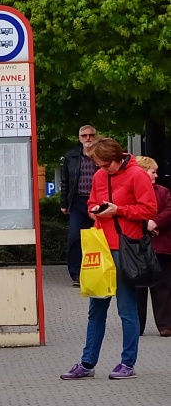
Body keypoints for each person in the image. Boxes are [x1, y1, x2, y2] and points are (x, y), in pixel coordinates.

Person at [60, 138, 157, 381]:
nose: (102, 170)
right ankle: (87, 362)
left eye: (105, 165)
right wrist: (95, 209)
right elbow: (92, 201)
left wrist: (119, 210)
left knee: (126, 309)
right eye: (99, 166)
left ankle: (127, 362)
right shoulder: (99, 177)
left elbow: (149, 209)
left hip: (126, 248)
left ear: (117, 159)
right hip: (101, 248)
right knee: (96, 310)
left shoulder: (137, 175)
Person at [132, 156, 171, 337]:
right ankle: (137, 326)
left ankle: (165, 325)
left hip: (161, 246)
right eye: (152, 172)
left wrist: (154, 222)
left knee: (163, 285)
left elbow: (169, 210)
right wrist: (145, 224)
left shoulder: (163, 191)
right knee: (138, 287)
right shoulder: (131, 191)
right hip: (138, 245)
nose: (156, 175)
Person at [61, 125, 101, 285]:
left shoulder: (101, 155)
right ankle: (76, 274)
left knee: (98, 238)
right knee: (74, 237)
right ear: (79, 138)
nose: (88, 138)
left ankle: (97, 272)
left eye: (91, 135)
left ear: (95, 136)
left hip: (98, 202)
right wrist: (64, 203)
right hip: (78, 201)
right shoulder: (71, 156)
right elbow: (65, 181)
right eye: (84, 135)